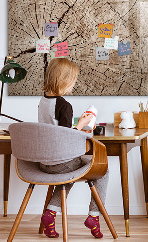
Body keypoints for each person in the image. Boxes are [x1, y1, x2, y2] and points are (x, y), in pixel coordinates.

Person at [38, 58, 108, 239]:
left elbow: (55, 130)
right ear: (64, 80)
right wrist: (83, 124)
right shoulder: (64, 105)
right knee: (103, 170)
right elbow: (66, 137)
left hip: (44, 162)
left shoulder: (43, 101)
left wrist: (77, 126)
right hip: (61, 162)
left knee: (68, 173)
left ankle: (50, 214)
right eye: (73, 81)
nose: (73, 85)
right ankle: (94, 216)